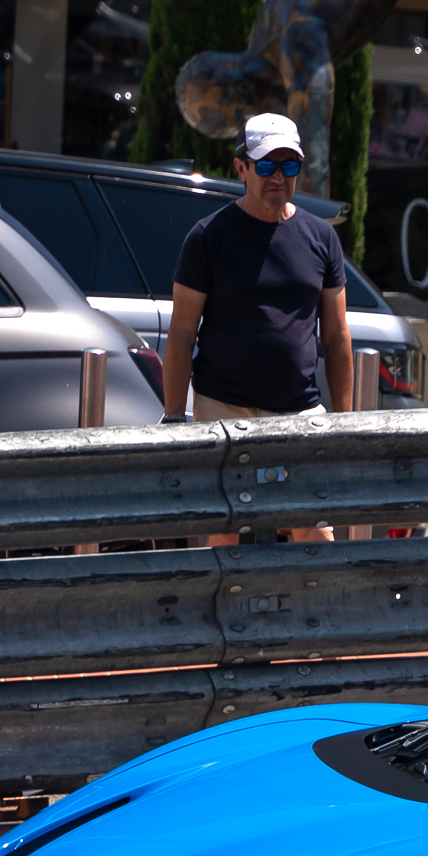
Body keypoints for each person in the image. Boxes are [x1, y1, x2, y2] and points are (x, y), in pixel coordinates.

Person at [162, 112, 352, 543]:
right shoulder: (209, 237)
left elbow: (337, 337)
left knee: (316, 532)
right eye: (266, 165)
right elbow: (181, 334)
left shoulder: (320, 238)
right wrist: (175, 415)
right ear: (241, 167)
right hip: (223, 408)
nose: (278, 177)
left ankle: (311, 611)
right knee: (228, 531)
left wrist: (344, 423)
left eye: (289, 166)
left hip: (299, 409)